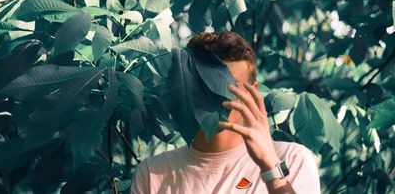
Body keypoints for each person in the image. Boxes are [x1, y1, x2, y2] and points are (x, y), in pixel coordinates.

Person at [130, 31, 321, 194]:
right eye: (207, 83)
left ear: (252, 93)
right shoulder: (152, 173)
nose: (218, 96)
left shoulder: (292, 159)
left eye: (229, 86)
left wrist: (271, 168)